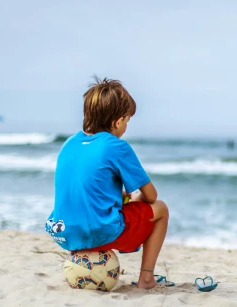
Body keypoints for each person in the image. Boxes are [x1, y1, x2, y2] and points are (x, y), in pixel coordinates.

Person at [46, 76, 170, 289]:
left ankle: (80, 258)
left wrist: (120, 197)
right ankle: (147, 278)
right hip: (98, 231)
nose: (126, 127)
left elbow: (86, 190)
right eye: (127, 121)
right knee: (161, 210)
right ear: (117, 121)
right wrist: (136, 197)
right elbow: (151, 196)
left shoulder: (69, 143)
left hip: (63, 232)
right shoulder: (116, 146)